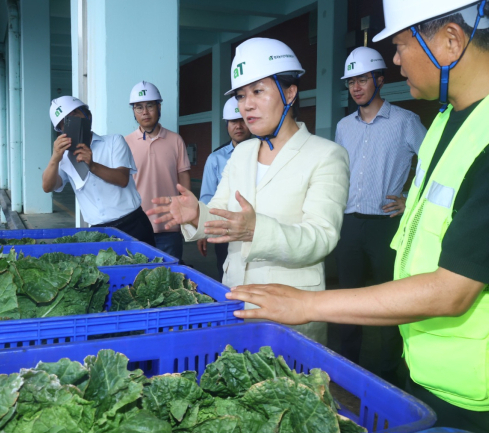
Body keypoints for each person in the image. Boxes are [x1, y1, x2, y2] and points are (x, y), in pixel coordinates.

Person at [226, 1, 489, 431]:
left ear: (451, 40)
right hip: (432, 369)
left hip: (482, 393)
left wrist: (308, 303)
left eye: (401, 45)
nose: (394, 60)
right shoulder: (450, 119)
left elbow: (452, 291)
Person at [147, 38, 350, 344]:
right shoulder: (241, 153)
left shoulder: (326, 155)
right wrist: (195, 216)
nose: (247, 105)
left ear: (290, 92)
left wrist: (256, 230)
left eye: (258, 91)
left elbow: (321, 237)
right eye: (242, 96)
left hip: (290, 311)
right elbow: (220, 215)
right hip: (235, 298)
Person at [333, 46, 427, 387]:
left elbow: (431, 163)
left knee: (391, 300)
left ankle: (388, 374)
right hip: (350, 225)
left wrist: (409, 200)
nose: (356, 86)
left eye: (363, 79)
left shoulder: (405, 121)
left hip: (386, 226)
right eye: (351, 81)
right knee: (346, 298)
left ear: (380, 80)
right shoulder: (344, 127)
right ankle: (346, 367)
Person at [43, 96, 155, 246]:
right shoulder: (63, 158)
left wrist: (93, 165)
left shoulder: (114, 142)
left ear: (88, 116)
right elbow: (48, 186)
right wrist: (55, 158)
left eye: (74, 116)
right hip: (98, 232)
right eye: (65, 123)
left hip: (133, 224)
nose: (71, 125)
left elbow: (122, 179)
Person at [125, 81, 191, 260]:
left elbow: (184, 180)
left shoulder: (175, 140)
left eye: (150, 105)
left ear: (159, 106)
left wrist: (185, 218)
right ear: (134, 111)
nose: (145, 112)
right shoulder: (126, 143)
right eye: (139, 107)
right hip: (136, 227)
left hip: (169, 226)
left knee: (169, 278)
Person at [197, 96, 252, 282]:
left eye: (242, 120)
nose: (238, 126)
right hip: (225, 229)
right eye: (233, 122)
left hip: (255, 226)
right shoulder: (216, 158)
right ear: (226, 124)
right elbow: (207, 196)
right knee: (227, 274)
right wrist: (203, 229)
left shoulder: (265, 151)